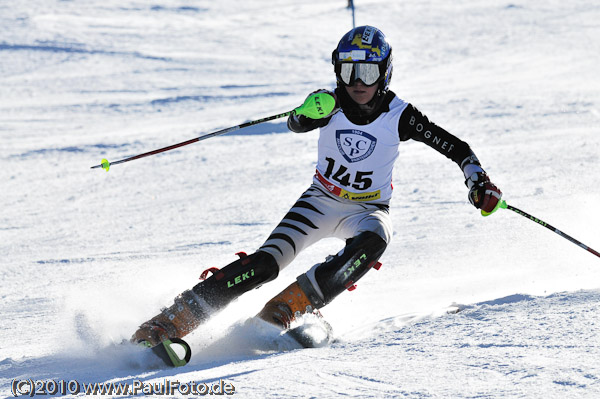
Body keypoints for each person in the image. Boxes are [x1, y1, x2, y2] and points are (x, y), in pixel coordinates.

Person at [132, 25, 502, 346]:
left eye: (369, 72)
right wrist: (307, 112)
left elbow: (456, 147)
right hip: (319, 201)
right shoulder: (331, 102)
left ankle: (284, 309)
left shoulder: (399, 114)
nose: (358, 81)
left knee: (374, 242)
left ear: (385, 74)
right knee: (263, 265)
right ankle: (169, 321)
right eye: (349, 70)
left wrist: (478, 182)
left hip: (368, 210)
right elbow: (297, 124)